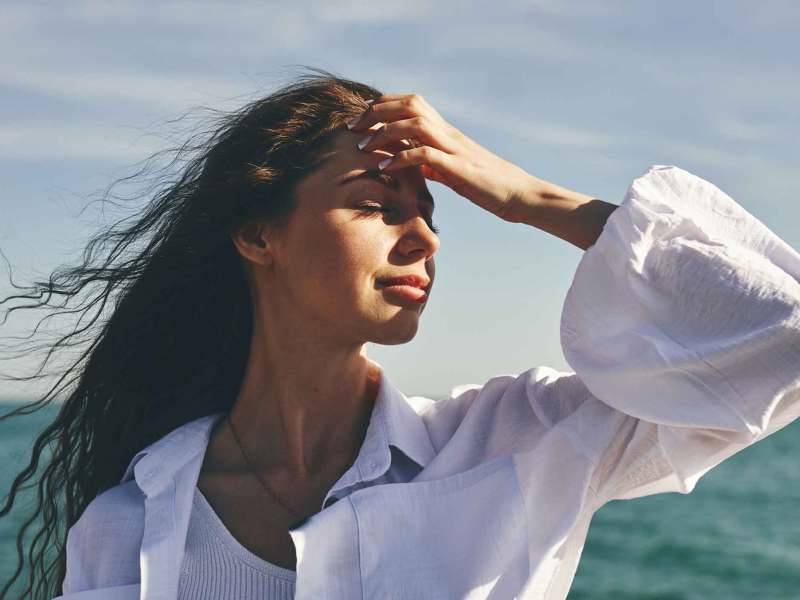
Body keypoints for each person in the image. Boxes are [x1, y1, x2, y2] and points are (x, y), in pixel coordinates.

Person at [1, 70, 797, 600]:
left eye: (432, 211)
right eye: (381, 206)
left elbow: (781, 333)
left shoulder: (522, 445)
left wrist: (529, 196)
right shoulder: (127, 525)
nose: (424, 238)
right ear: (257, 234)